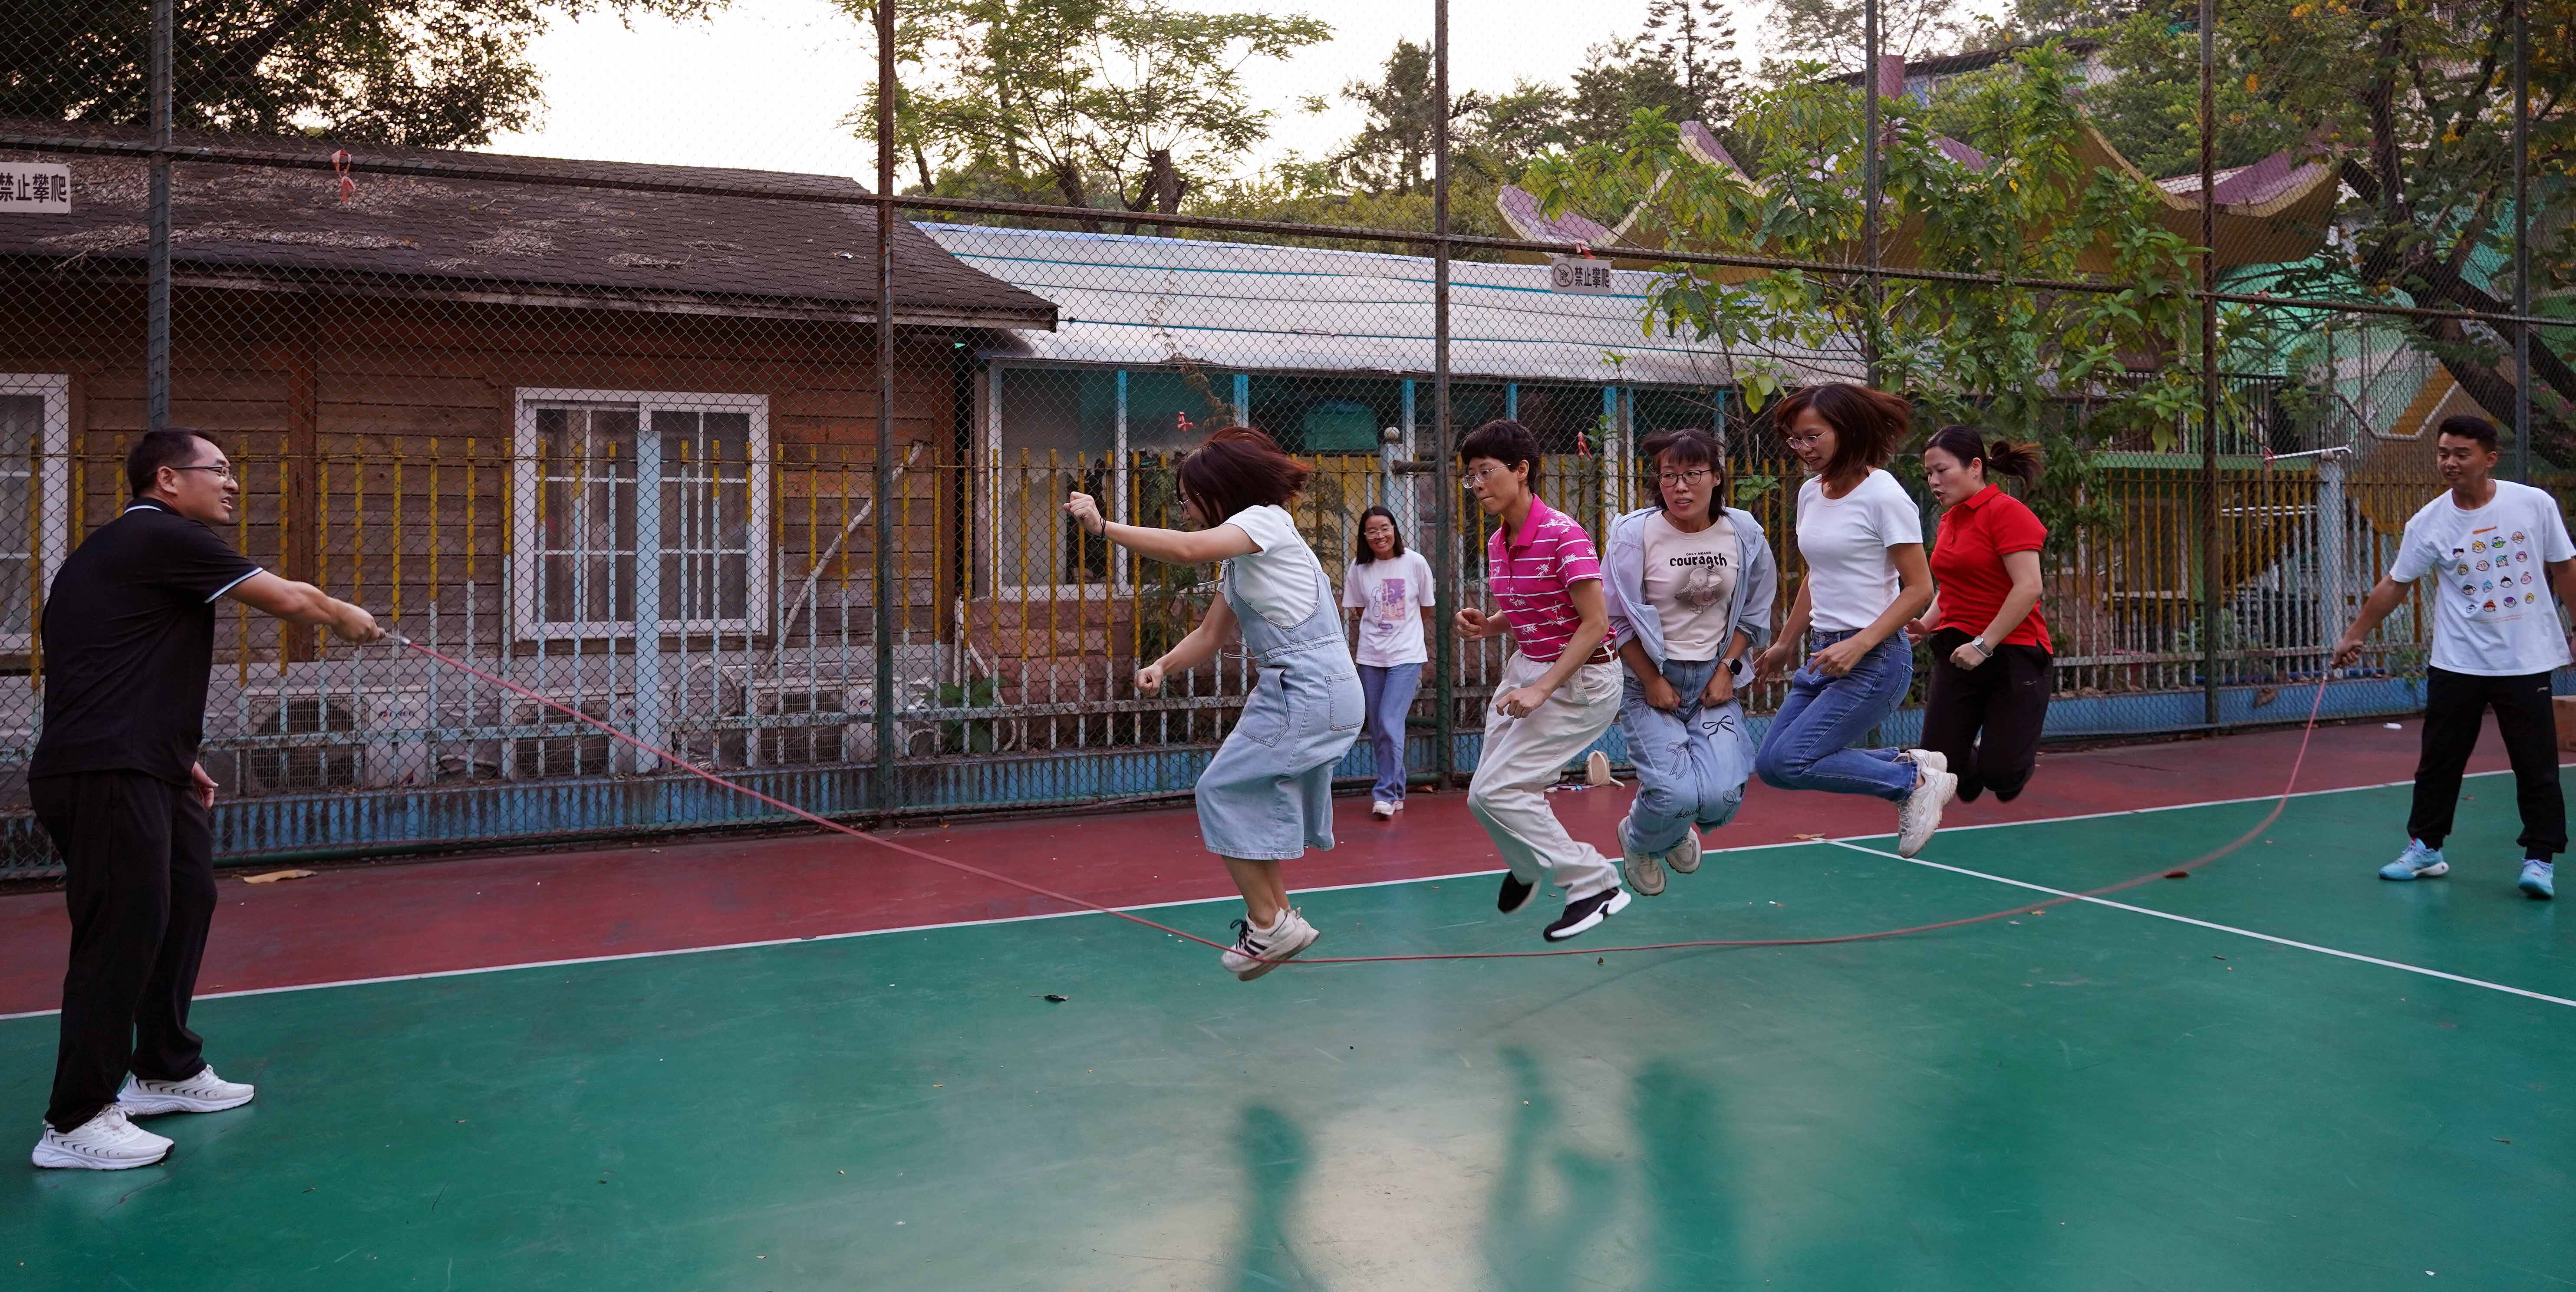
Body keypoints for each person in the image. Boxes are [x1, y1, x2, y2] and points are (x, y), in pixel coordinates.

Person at [31, 430, 382, 1171]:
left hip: (145, 763)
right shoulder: (157, 535)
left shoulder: (136, 554)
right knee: (121, 932)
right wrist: (342, 614)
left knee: (187, 898)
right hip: (105, 771)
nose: (231, 483)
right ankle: (76, 1119)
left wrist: (174, 752)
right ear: (167, 479)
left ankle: (164, 1069)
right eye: (217, 470)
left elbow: (108, 661)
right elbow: (287, 598)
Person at [1065, 427, 1364, 978]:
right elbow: (1209, 635)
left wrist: (1104, 527)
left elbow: (1185, 550)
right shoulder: (1245, 556)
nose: (1183, 507)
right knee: (1248, 793)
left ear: (1220, 490)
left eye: (1188, 496)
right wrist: (1162, 665)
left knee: (1220, 789)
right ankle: (1278, 919)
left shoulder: (1265, 522)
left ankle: (1269, 925)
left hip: (1306, 688)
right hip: (1306, 687)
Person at [2332, 415, 2576, 900]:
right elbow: (2395, 584)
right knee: (2439, 764)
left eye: (2462, 454)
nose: (2449, 462)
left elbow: (2565, 567)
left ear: (2490, 459)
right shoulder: (2428, 522)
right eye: (2444, 453)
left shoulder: (2533, 505)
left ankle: (2540, 858)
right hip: (2456, 662)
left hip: (2525, 661)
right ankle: (2425, 848)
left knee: (2537, 767)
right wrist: (2354, 634)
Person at [1749, 384, 1957, 858]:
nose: (1803, 448)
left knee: (1793, 759)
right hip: (1825, 653)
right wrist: (1785, 643)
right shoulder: (1811, 493)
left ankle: (1912, 781)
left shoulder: (1884, 496)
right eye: (1795, 439)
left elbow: (1920, 588)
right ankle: (1909, 763)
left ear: (1847, 431)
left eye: (1812, 436)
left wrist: (1860, 643)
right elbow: (1817, 574)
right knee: (1773, 766)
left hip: (1874, 659)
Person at [1453, 419, 1633, 941]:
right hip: (1529, 667)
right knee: (1483, 795)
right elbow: (1536, 605)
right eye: (1471, 476)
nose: (1477, 484)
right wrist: (1490, 624)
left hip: (1581, 680)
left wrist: (1542, 688)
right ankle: (1528, 865)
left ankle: (1596, 884)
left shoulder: (1563, 534)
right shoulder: (1498, 541)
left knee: (1500, 789)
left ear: (1521, 470)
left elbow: (1595, 624)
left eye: (1486, 472)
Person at [1600, 428, 1778, 896]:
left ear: (1716, 477)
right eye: (1669, 476)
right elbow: (1613, 619)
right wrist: (1651, 680)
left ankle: (1670, 828)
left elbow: (1755, 612)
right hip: (1649, 682)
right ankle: (1642, 840)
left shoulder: (1744, 533)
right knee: (1675, 794)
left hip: (1714, 680)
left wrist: (1728, 670)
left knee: (1723, 797)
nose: (1680, 487)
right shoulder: (1633, 535)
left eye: (1692, 475)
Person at [1905, 427, 2052, 804]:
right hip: (1958, 652)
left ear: (1975, 467)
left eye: (1942, 471)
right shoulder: (1951, 519)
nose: (1934, 482)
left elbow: (2029, 587)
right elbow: (1952, 585)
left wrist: (1984, 645)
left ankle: (2003, 761)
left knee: (2002, 776)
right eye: (1929, 474)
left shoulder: (2007, 513)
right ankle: (1972, 766)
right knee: (1944, 768)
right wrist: (1926, 624)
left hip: (2014, 652)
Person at [1343, 506, 1436, 820]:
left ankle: (1384, 794)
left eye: (1384, 528)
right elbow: (1360, 611)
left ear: (1395, 529)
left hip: (1406, 656)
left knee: (1389, 721)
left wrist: (1403, 632)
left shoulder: (1415, 563)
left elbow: (1425, 608)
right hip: (1371, 656)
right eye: (1372, 531)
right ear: (1364, 536)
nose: (1379, 535)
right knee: (1380, 726)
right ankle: (1396, 790)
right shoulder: (1359, 567)